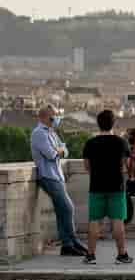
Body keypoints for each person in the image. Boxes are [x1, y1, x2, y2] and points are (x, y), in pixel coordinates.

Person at [30, 105, 87, 256]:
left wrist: (59, 150)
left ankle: (68, 244)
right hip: (48, 176)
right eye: (52, 117)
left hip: (56, 175)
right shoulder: (39, 134)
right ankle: (71, 241)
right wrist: (59, 150)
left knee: (62, 210)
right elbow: (51, 155)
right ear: (43, 117)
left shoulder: (51, 133)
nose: (55, 120)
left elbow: (65, 151)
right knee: (68, 208)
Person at [81, 110, 133, 265]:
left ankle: (90, 255)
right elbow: (127, 165)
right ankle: (121, 255)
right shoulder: (121, 142)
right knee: (117, 221)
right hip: (116, 186)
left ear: (98, 123)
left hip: (96, 186)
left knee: (94, 221)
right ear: (113, 123)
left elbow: (86, 166)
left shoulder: (90, 143)